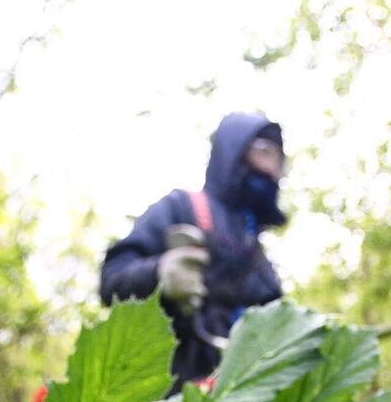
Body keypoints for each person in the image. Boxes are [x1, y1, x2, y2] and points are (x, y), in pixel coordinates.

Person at [100, 112, 286, 385]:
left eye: (279, 161)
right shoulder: (181, 207)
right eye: (264, 151)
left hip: (239, 394)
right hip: (172, 392)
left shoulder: (258, 254)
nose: (271, 167)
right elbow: (112, 279)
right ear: (234, 150)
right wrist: (159, 274)